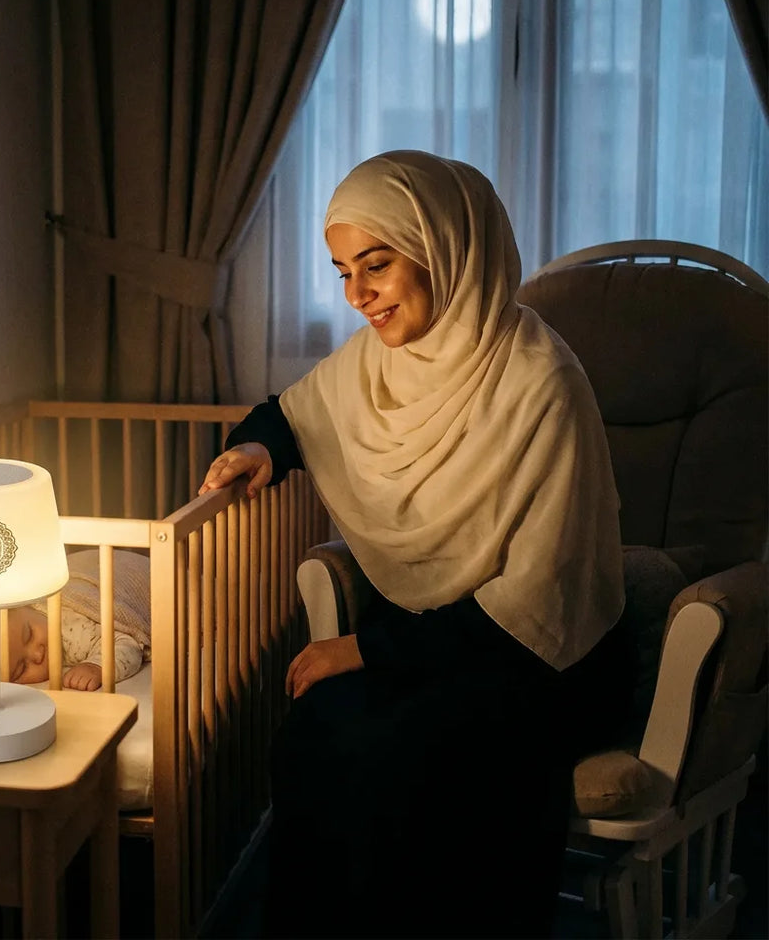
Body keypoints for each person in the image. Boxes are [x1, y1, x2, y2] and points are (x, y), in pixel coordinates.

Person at [199, 151, 635, 939]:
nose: (357, 295)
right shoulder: (379, 362)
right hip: (437, 638)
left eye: (377, 264)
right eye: (340, 272)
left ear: (444, 249)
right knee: (313, 726)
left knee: (401, 750)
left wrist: (364, 650)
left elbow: (533, 608)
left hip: (541, 658)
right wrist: (258, 451)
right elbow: (292, 415)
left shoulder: (541, 383)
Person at [0, 548, 151, 692]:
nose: (37, 653)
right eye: (21, 669)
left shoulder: (72, 630)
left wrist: (97, 666)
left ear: (23, 604)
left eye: (29, 634)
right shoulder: (27, 620)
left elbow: (127, 645)